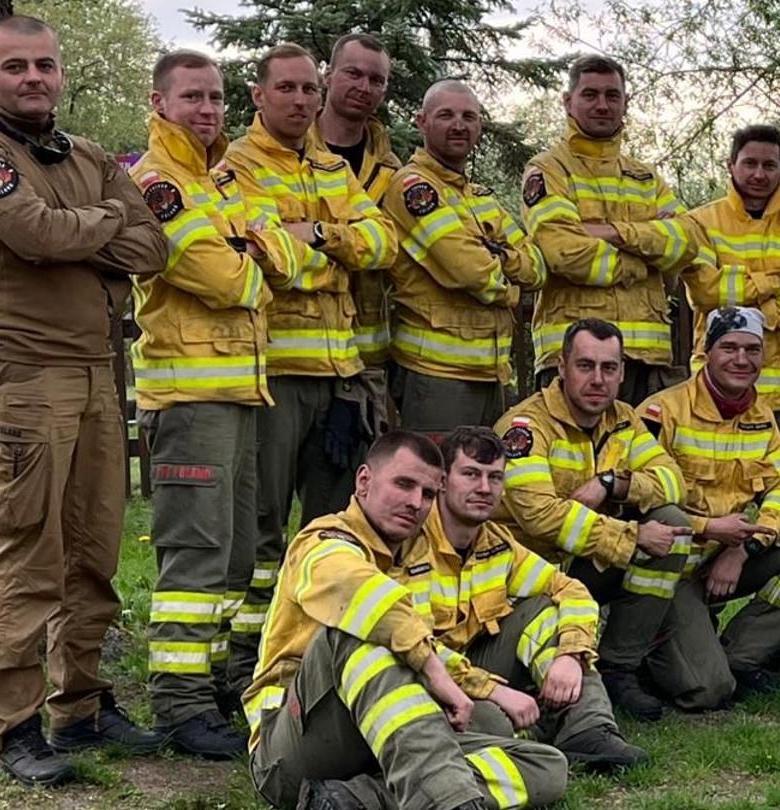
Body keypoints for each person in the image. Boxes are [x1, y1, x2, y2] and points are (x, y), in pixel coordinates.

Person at [0, 15, 167, 785]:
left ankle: (83, 704)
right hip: (24, 380)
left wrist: (83, 230)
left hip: (101, 373)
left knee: (96, 550)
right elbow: (33, 235)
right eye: (16, 67)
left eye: (45, 65)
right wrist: (102, 225)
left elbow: (153, 247)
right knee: (28, 554)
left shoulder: (90, 156)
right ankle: (15, 725)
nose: (33, 77)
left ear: (61, 74)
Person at [244, 431, 568, 809]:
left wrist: (478, 687)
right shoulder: (323, 541)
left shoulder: (415, 553)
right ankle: (449, 803)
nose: (416, 502)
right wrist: (434, 669)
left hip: (383, 735)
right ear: (364, 481)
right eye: (403, 484)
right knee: (361, 636)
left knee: (543, 763)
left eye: (428, 493)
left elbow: (424, 643)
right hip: (292, 747)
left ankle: (354, 800)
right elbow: (368, 600)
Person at [223, 42, 398, 692]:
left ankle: (317, 659)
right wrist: (329, 247)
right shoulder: (235, 166)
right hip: (276, 373)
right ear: (258, 95)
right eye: (286, 88)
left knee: (330, 528)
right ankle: (245, 664)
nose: (300, 100)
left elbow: (383, 242)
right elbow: (265, 255)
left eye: (307, 90)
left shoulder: (329, 165)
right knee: (264, 529)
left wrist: (320, 235)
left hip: (340, 376)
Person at [131, 48, 284, 759]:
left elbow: (282, 253)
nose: (208, 110)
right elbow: (228, 278)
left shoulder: (217, 180)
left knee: (233, 554)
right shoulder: (157, 182)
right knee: (194, 554)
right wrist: (255, 256)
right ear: (160, 103)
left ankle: (214, 681)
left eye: (217, 98)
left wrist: (260, 251)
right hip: (190, 396)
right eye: (193, 97)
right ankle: (178, 702)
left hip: (240, 392)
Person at [395, 427, 649, 771]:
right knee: (493, 725)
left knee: (546, 609)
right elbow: (419, 648)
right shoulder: (410, 544)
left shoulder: (496, 543)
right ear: (442, 481)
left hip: (473, 662)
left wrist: (570, 656)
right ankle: (526, 728)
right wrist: (494, 692)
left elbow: (571, 589)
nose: (484, 488)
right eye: (471, 475)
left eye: (495, 477)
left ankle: (588, 730)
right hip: (425, 678)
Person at [495, 319, 698, 720]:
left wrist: (612, 484)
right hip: (525, 576)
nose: (598, 379)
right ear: (561, 367)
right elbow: (541, 519)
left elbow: (674, 484)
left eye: (609, 368)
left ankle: (619, 666)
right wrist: (632, 535)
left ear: (622, 373)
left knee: (671, 521)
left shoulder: (623, 419)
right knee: (654, 532)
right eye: (585, 366)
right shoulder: (526, 428)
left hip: (584, 563)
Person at [636, 307, 780, 700]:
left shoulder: (761, 416)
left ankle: (741, 655)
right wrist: (708, 529)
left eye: (752, 349)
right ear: (706, 353)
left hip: (730, 556)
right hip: (671, 571)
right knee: (709, 691)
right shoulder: (661, 412)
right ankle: (647, 650)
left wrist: (745, 548)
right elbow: (639, 504)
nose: (742, 360)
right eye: (729, 347)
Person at [523, 55, 695, 402]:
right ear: (567, 101)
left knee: (643, 457)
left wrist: (612, 233)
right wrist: (644, 257)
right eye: (590, 95)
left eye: (612, 95)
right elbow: (562, 251)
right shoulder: (547, 170)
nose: (602, 105)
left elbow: (689, 241)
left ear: (625, 102)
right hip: (575, 361)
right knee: (575, 459)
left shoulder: (646, 177)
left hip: (648, 361)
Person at [383, 79, 546, 434]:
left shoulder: (478, 196)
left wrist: (499, 258)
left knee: (484, 485)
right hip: (437, 375)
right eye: (446, 115)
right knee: (437, 482)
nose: (459, 125)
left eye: (469, 116)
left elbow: (537, 266)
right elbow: (472, 271)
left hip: (492, 371)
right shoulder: (414, 187)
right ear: (421, 122)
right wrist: (511, 286)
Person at [682, 125, 780, 501]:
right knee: (713, 488)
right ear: (730, 165)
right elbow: (704, 292)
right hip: (715, 390)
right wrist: (774, 283)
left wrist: (749, 311)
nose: (759, 174)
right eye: (749, 163)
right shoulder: (702, 222)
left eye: (770, 165)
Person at [316, 33, 403, 373]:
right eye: (353, 74)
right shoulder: (287, 154)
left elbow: (392, 251)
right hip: (297, 353)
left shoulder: (391, 170)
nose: (364, 87)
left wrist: (320, 234)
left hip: (368, 354)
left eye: (376, 79)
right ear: (328, 75)